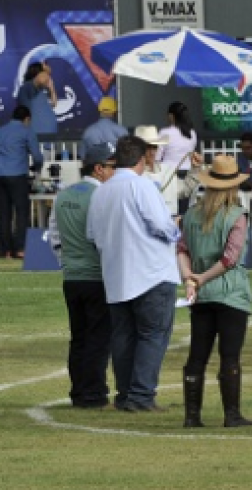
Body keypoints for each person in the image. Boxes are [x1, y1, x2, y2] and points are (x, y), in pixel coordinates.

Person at [86, 135, 181, 412]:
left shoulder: (101, 191)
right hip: (151, 272)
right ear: (142, 160)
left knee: (123, 336)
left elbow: (92, 234)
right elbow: (160, 225)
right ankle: (140, 395)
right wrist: (176, 228)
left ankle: (126, 394)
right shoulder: (142, 186)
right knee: (152, 335)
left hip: (116, 274)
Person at [177, 154, 252, 428]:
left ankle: (192, 416)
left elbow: (182, 249)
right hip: (230, 293)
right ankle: (231, 414)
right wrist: (202, 277)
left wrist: (190, 277)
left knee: (197, 356)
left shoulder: (191, 215)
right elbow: (230, 258)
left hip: (202, 297)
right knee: (230, 355)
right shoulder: (236, 216)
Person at [51, 142, 117, 409]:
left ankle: (79, 392)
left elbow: (55, 237)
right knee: (98, 338)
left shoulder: (63, 195)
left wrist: (68, 264)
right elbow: (104, 239)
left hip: (72, 276)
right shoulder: (102, 196)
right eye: (113, 166)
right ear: (99, 168)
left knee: (78, 337)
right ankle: (93, 394)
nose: (116, 172)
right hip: (96, 277)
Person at [0, 105, 42, 260]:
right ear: (27, 119)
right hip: (17, 174)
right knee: (21, 212)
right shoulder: (27, 131)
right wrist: (36, 167)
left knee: (4, 212)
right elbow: (37, 157)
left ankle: (6, 250)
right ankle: (20, 248)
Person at [135, 125, 202, 218]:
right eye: (147, 147)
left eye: (154, 147)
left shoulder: (166, 170)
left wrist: (195, 169)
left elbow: (184, 190)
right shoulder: (133, 174)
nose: (152, 152)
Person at [16, 62, 58, 136]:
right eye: (43, 72)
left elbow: (54, 103)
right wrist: (47, 70)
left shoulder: (42, 90)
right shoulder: (28, 86)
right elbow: (41, 80)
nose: (48, 77)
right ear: (37, 73)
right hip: (36, 135)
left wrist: (52, 89)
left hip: (48, 136)